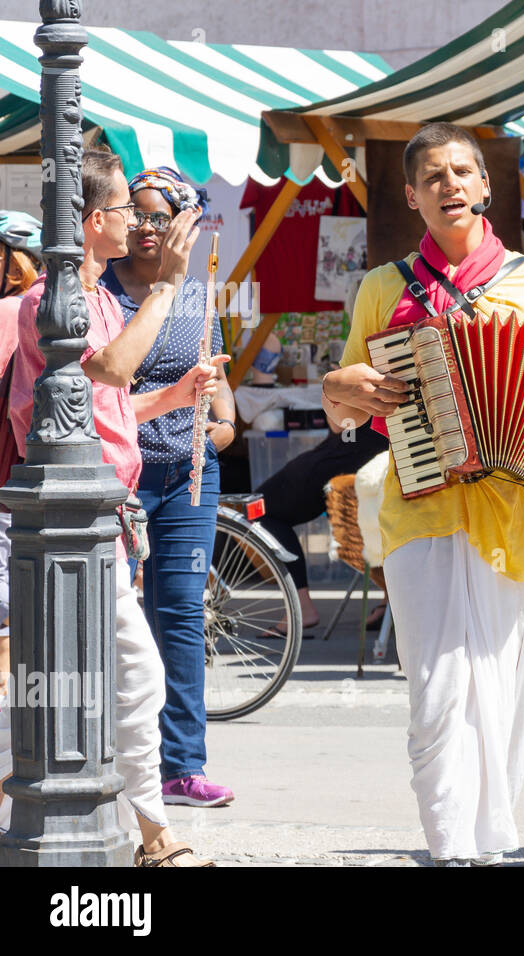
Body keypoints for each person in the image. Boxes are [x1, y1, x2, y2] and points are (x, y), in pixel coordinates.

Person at [321, 123, 524, 866]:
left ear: (487, 187)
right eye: (433, 177)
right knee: (435, 691)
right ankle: (450, 849)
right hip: (419, 505)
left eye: (463, 172)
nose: (450, 185)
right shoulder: (383, 287)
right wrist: (337, 388)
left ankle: (486, 843)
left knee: (502, 693)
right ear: (411, 195)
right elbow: (346, 408)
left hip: (515, 512)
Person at [6, 146, 223, 863]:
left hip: (101, 519)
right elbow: (108, 367)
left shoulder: (96, 298)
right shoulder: (55, 300)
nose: (138, 222)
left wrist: (177, 394)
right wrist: (166, 289)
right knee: (77, 677)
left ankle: (147, 829)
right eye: (128, 211)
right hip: (67, 523)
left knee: (109, 676)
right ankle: (148, 832)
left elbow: (110, 403)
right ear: (95, 220)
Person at [100, 167, 237, 808]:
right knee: (115, 623)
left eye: (162, 216)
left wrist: (224, 427)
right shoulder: (98, 294)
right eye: (138, 213)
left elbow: (219, 387)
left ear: (186, 219)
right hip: (118, 478)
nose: (148, 228)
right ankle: (116, 758)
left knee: (181, 618)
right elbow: (104, 390)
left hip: (187, 479)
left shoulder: (198, 293)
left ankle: (183, 766)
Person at [252, 426, 390, 635]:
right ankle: (390, 599)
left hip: (353, 454)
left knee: (260, 506)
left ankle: (301, 605)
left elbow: (342, 422)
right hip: (375, 453)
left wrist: (331, 399)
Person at [0, 211, 44, 806]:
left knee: (8, 650)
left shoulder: (11, 312)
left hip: (6, 499)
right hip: (26, 497)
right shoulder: (37, 309)